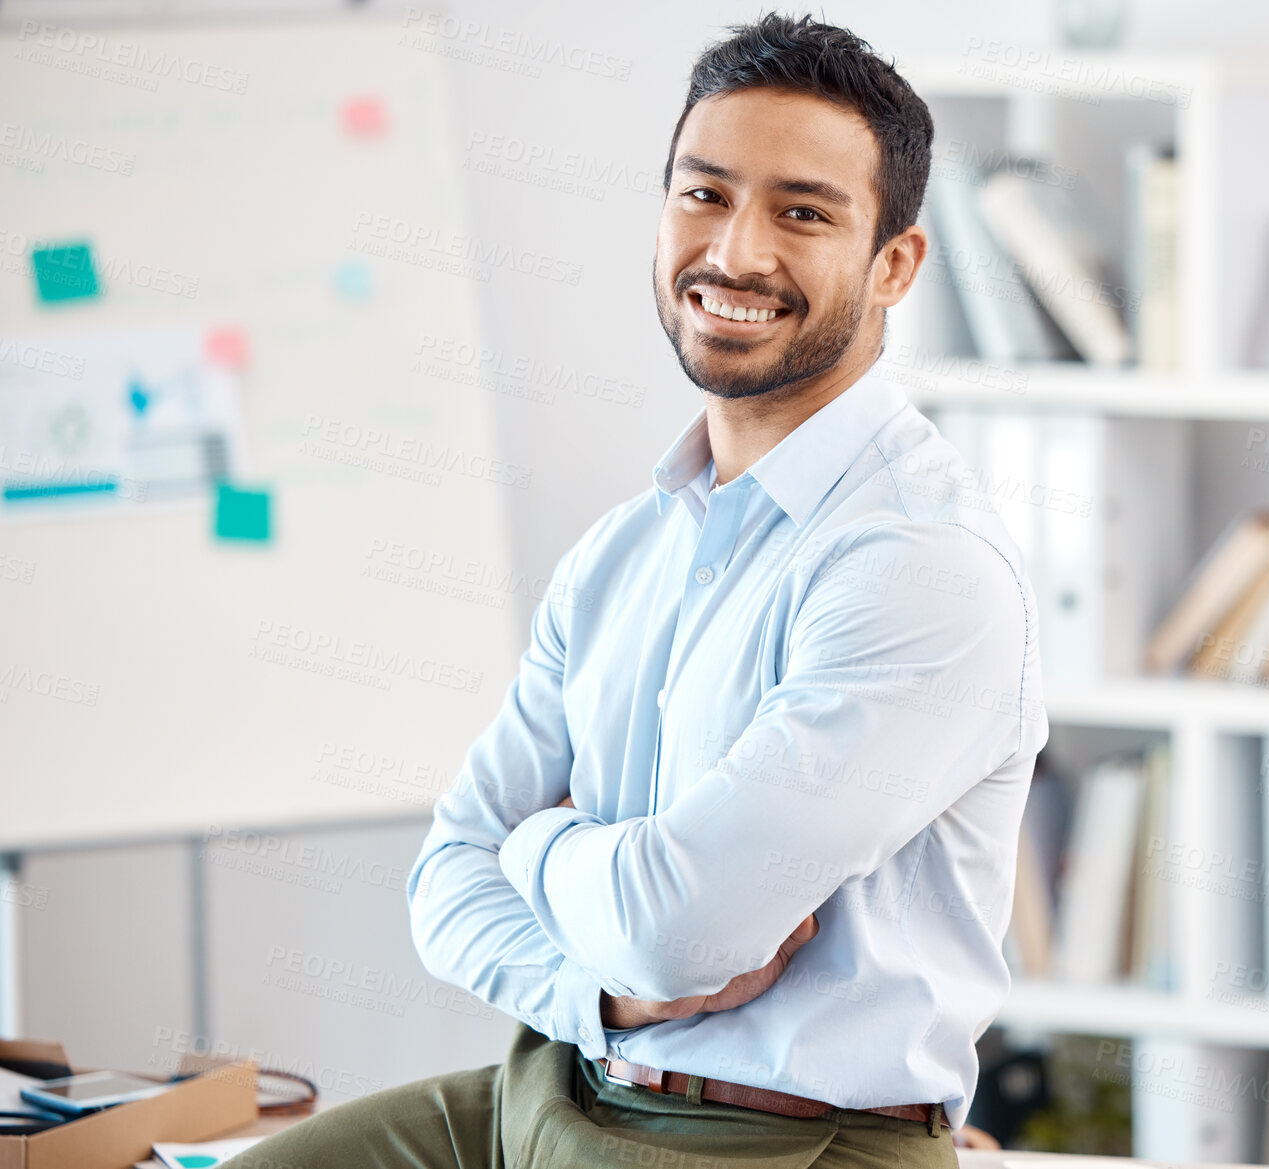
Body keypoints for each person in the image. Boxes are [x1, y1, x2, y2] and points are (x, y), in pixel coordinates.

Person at [227, 12, 1044, 1168]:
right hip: (557, 1073)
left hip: (771, 1140)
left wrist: (540, 841)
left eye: (801, 212)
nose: (735, 252)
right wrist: (594, 996)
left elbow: (671, 931)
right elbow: (443, 878)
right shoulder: (623, 550)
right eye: (702, 195)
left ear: (893, 263)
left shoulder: (919, 564)